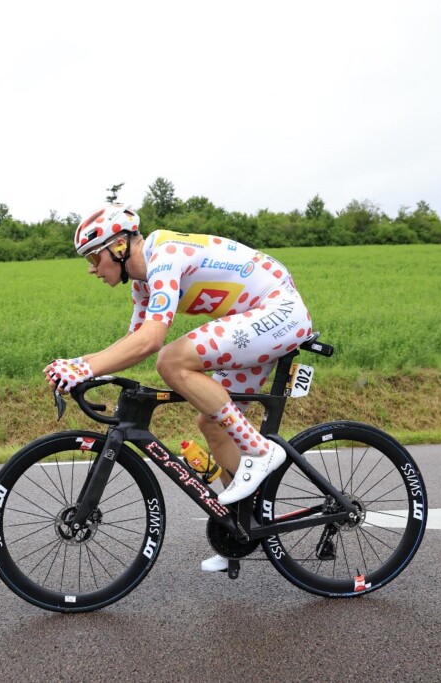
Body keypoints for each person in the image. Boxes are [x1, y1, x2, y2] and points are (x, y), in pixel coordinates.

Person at [45, 203, 312, 572]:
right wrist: (78, 365)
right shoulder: (142, 284)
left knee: (172, 360)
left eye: (94, 257)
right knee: (212, 424)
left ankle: (258, 450)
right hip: (257, 319)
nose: (92, 269)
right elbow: (133, 341)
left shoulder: (165, 256)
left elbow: (152, 341)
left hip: (278, 310)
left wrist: (84, 367)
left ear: (120, 247)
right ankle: (241, 528)